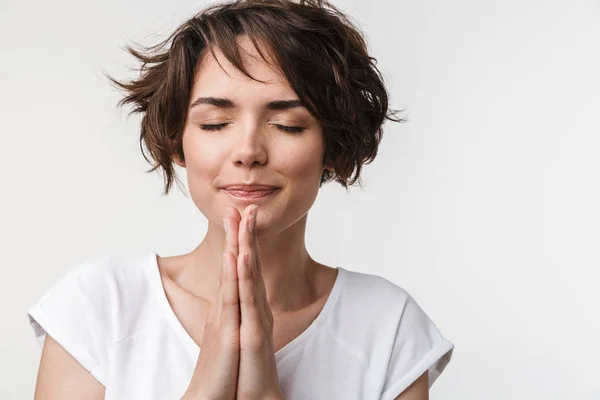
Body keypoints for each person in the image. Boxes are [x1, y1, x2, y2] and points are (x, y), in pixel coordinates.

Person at [27, 0, 454, 398]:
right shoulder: (99, 306)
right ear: (178, 141)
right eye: (215, 124)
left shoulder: (387, 326)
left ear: (332, 148)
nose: (248, 150)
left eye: (288, 125)